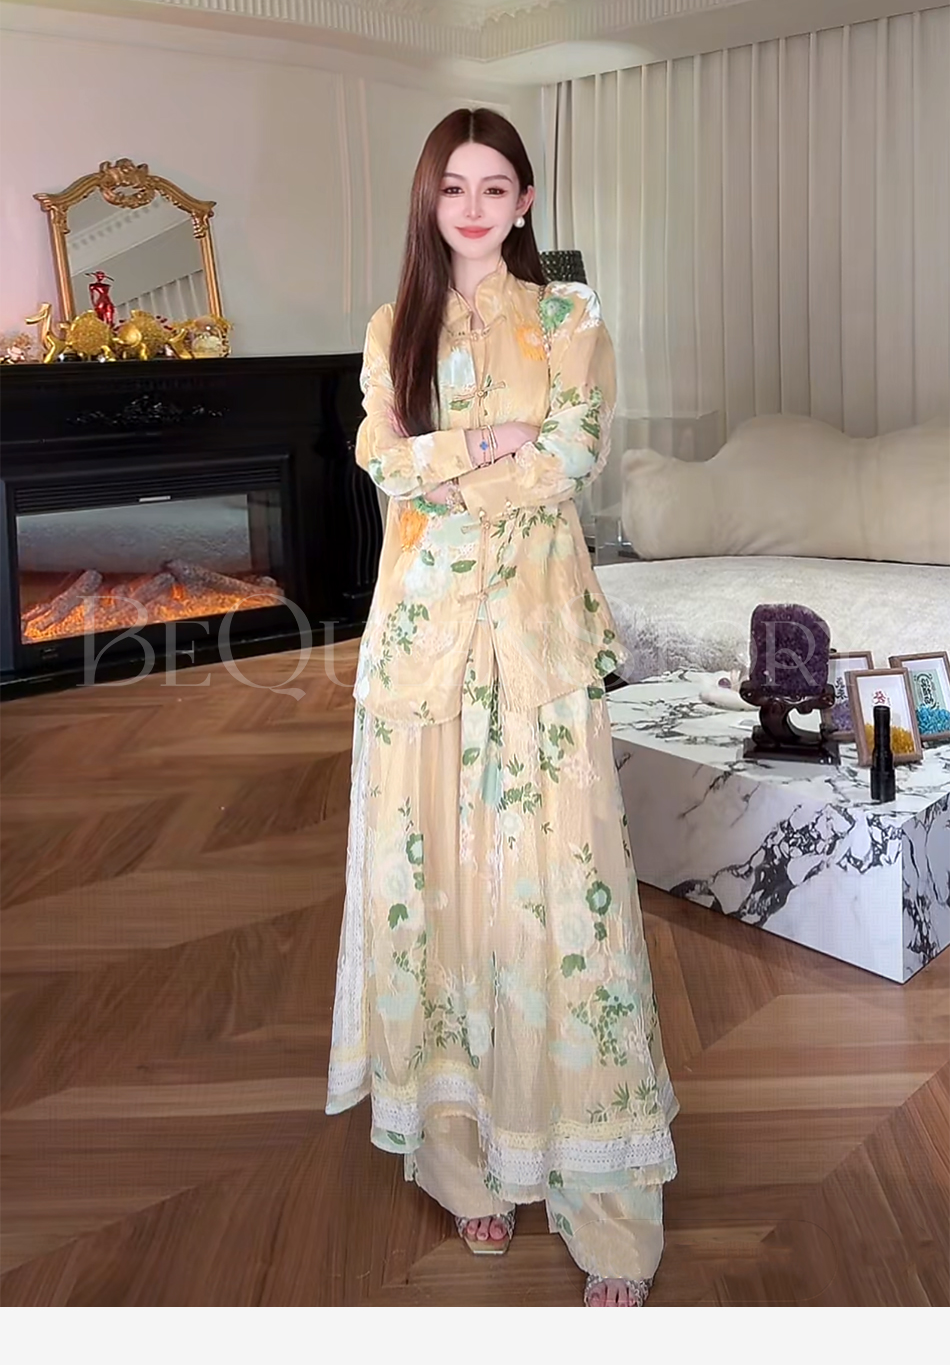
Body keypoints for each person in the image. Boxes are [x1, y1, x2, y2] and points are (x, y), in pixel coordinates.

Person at [326, 107, 678, 1306]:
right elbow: (383, 459)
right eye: (451, 188)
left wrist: (456, 457)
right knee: (435, 898)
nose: (471, 208)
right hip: (420, 650)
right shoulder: (393, 326)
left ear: (525, 201)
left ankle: (603, 1200)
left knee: (558, 902)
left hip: (534, 640)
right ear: (427, 202)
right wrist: (490, 445)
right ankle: (462, 1161)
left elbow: (569, 458)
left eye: (493, 187)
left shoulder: (569, 318)